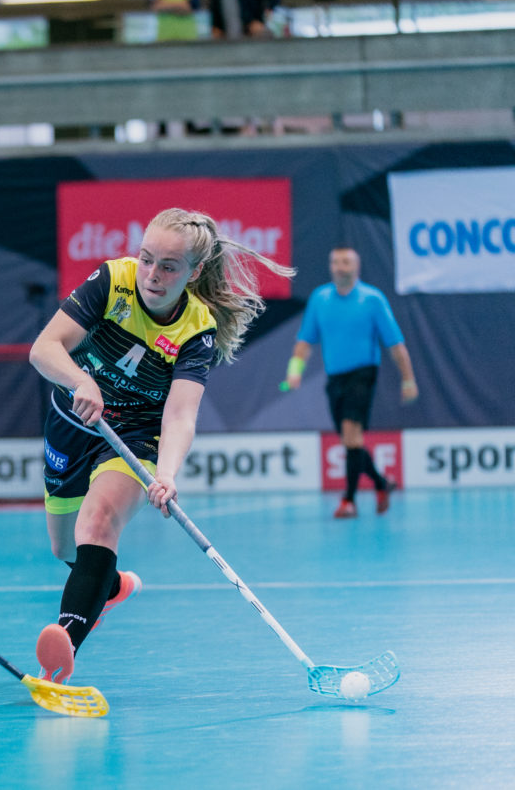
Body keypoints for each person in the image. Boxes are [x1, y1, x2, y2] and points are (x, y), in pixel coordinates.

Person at [29, 207, 295, 685]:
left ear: (194, 273)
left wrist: (167, 473)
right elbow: (44, 348)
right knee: (64, 546)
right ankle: (109, 586)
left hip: (132, 436)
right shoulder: (113, 281)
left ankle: (63, 650)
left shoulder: (197, 328)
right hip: (71, 420)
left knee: (100, 521)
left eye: (169, 266)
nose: (152, 274)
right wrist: (79, 379)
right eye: (147, 258)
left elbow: (180, 414)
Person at [283, 245, 418, 519]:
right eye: (335, 262)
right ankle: (382, 484)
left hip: (363, 374)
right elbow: (304, 342)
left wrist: (408, 380)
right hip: (336, 378)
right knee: (350, 441)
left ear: (356, 267)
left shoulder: (372, 299)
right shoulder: (320, 299)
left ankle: (349, 500)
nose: (340, 266)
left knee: (350, 433)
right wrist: (294, 371)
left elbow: (395, 345)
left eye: (345, 262)